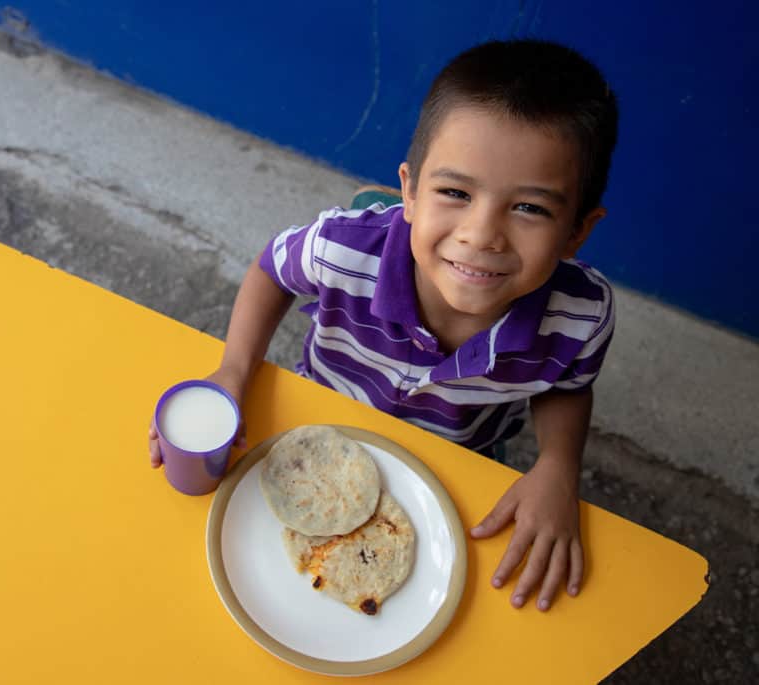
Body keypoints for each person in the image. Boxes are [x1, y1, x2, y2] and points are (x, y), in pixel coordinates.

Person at [149, 39, 618, 612]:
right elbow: (272, 268)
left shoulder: (580, 317)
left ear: (577, 231)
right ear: (410, 191)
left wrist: (557, 466)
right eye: (454, 193)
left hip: (462, 460)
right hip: (315, 425)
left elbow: (568, 387)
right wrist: (234, 369)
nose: (481, 234)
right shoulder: (344, 250)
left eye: (529, 209)